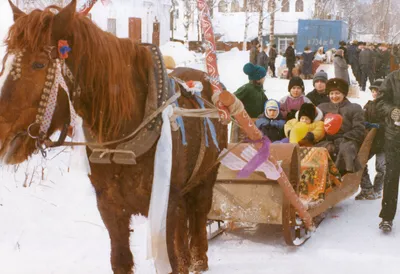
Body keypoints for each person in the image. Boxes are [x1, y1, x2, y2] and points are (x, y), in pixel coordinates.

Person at [317, 78, 365, 175]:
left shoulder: (354, 108)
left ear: (344, 94)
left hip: (348, 140)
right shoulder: (322, 107)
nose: (334, 96)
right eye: (331, 93)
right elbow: (318, 125)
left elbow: (359, 129)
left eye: (337, 93)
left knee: (346, 149)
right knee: (320, 150)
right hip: (328, 140)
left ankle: (340, 175)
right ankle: (321, 177)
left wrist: (345, 137)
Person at [375, 70, 400, 232]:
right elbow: (380, 102)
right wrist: (391, 110)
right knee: (391, 176)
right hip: (395, 135)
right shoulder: (393, 77)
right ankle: (387, 217)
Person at [356, 79, 386, 200]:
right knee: (359, 163)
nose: (375, 93)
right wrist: (365, 123)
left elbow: (392, 123)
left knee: (381, 167)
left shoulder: (388, 106)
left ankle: (378, 189)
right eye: (373, 91)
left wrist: (380, 126)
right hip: (370, 140)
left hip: (384, 142)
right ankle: (366, 188)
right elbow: (361, 119)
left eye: (377, 91)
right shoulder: (368, 105)